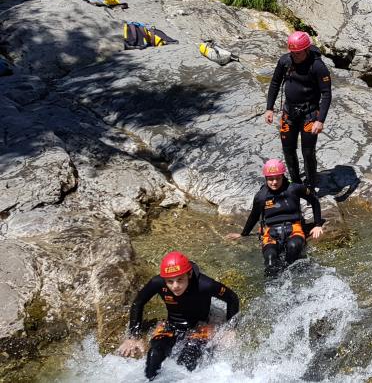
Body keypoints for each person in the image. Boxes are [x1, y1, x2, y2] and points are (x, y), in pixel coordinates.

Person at [116, 252, 239, 380]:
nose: (175, 286)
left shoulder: (205, 284)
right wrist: (134, 336)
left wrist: (230, 329)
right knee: (154, 355)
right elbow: (138, 302)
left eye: (180, 279)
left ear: (189, 274)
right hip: (172, 325)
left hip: (200, 326)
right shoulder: (157, 283)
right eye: (170, 281)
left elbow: (232, 298)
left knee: (188, 358)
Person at [226, 159, 325, 277]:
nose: (274, 182)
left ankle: (292, 278)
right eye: (270, 179)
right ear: (266, 178)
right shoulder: (261, 196)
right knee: (270, 259)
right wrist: (243, 234)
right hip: (270, 231)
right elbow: (254, 215)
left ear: (283, 176)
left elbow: (314, 201)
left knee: (293, 248)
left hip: (294, 228)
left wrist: (318, 225)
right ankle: (272, 287)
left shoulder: (294, 188)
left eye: (277, 178)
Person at [265, 31, 333, 190]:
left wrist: (320, 120)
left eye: (298, 53)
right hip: (289, 113)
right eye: (292, 52)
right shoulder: (285, 61)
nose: (295, 55)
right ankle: (295, 183)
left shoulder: (317, 66)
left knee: (308, 152)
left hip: (309, 115)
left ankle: (311, 184)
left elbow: (326, 93)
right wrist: (269, 108)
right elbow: (275, 83)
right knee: (288, 149)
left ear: (306, 50)